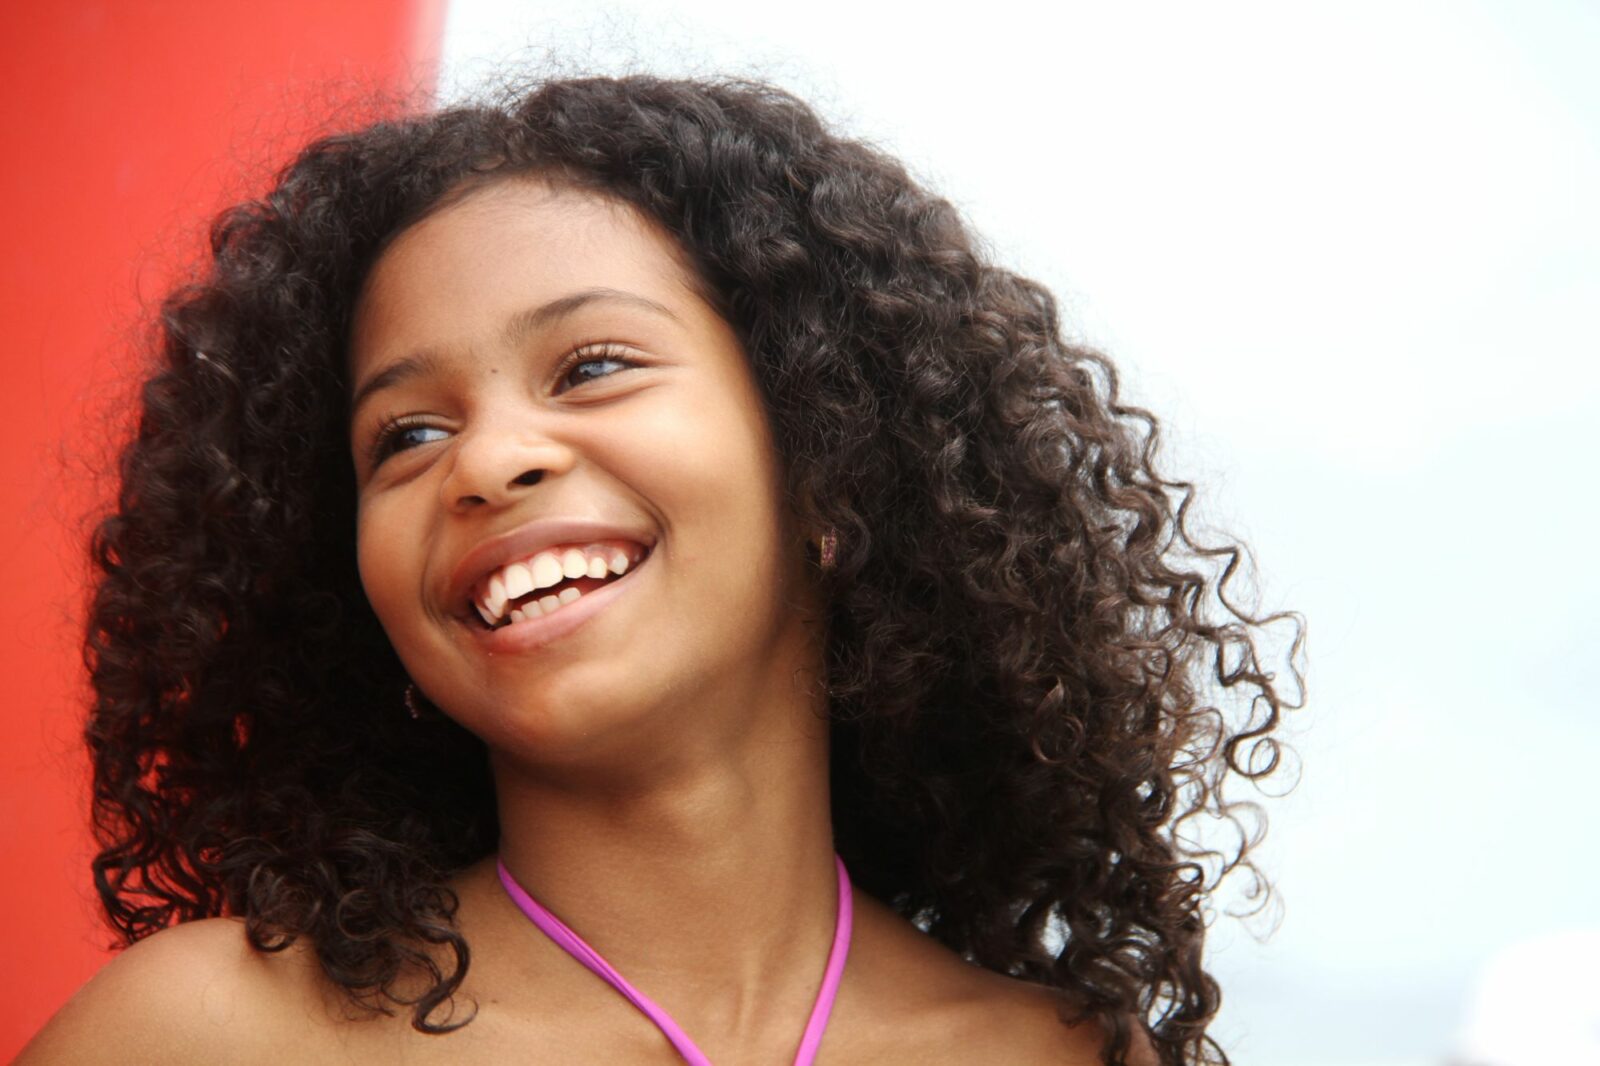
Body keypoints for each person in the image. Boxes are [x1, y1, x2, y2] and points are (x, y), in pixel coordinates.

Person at [20, 75, 1297, 1065]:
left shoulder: (1066, 1057)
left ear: (827, 462)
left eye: (592, 366)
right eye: (403, 436)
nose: (487, 460)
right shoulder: (200, 1036)